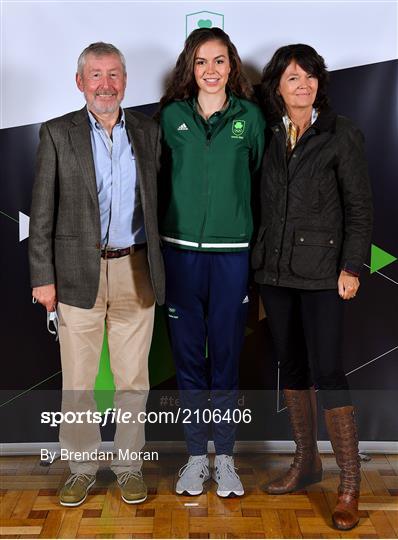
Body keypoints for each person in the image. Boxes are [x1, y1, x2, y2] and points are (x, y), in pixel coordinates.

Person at [29, 42, 165, 507]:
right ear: (80, 82)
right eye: (96, 75)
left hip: (136, 269)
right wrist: (42, 277)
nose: (105, 85)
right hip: (74, 274)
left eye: (114, 75)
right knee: (79, 382)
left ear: (125, 82)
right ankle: (82, 467)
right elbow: (42, 213)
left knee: (133, 381)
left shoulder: (148, 132)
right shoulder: (56, 133)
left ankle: (128, 465)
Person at [252, 44, 373, 529]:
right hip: (275, 272)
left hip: (325, 271)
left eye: (309, 77)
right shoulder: (268, 132)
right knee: (293, 367)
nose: (302, 85)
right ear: (277, 87)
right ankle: (306, 463)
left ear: (319, 83)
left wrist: (352, 267)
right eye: (292, 78)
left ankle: (349, 484)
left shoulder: (340, 133)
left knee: (328, 369)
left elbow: (360, 208)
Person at [158, 27, 265, 498]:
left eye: (219, 61)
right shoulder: (170, 118)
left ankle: (226, 460)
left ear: (232, 66)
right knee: (187, 363)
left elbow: (262, 184)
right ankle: (195, 459)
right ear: (190, 67)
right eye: (201, 62)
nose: (211, 70)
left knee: (224, 360)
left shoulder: (252, 119)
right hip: (179, 255)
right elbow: (156, 183)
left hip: (230, 259)